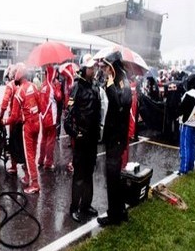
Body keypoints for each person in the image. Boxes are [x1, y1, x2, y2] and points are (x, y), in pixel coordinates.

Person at [96, 51, 132, 226]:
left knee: (112, 178)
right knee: (115, 177)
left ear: (112, 66)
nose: (103, 70)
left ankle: (114, 215)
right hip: (115, 137)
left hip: (116, 138)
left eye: (105, 66)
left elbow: (119, 104)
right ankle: (120, 210)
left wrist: (109, 86)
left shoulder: (120, 80)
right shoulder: (120, 78)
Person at [64, 54, 101, 222]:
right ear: (84, 69)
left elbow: (99, 113)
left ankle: (86, 205)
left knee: (89, 174)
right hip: (81, 140)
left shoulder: (95, 87)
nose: (94, 70)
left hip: (93, 140)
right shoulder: (76, 88)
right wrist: (75, 134)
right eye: (91, 68)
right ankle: (74, 208)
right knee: (79, 176)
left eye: (94, 67)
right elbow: (67, 118)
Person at [5, 63, 44, 194]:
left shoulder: (19, 92)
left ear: (18, 78)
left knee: (29, 156)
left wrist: (3, 121)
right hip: (37, 124)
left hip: (27, 126)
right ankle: (28, 177)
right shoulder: (34, 87)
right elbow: (41, 106)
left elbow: (14, 117)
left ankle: (35, 184)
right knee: (32, 153)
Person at [0, 64, 25, 174]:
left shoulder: (11, 85)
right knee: (23, 143)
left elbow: (4, 102)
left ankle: (14, 166)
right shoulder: (24, 85)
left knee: (13, 143)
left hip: (14, 119)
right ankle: (25, 165)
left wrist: (1, 116)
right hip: (24, 119)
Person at [177, 73, 195, 175]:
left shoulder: (189, 94)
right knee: (191, 146)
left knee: (185, 146)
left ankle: (184, 169)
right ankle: (190, 166)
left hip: (187, 123)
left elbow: (181, 109)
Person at [38, 65, 62, 170]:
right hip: (51, 117)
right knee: (50, 140)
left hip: (43, 117)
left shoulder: (43, 85)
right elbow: (59, 97)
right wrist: (58, 86)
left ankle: (41, 160)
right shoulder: (52, 86)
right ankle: (48, 162)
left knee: (43, 138)